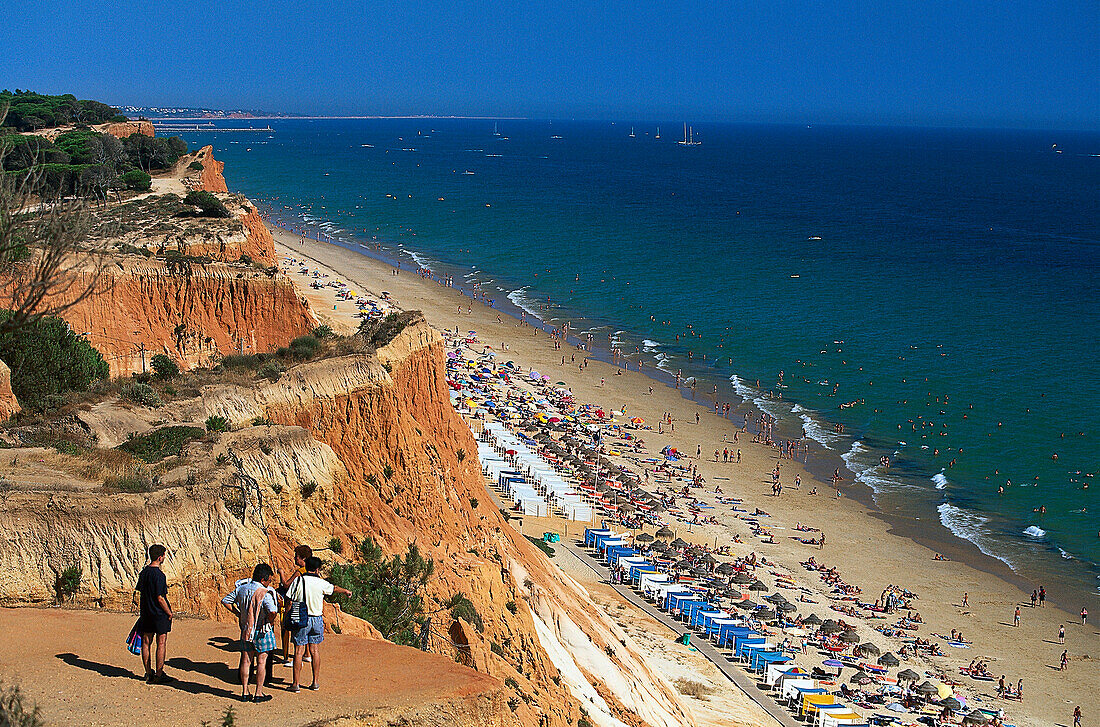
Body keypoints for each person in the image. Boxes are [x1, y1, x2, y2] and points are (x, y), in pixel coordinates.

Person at [287, 556, 352, 692]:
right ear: (317, 569)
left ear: (306, 566)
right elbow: (333, 588)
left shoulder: (298, 581)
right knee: (314, 650)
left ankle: (296, 684)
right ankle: (315, 682)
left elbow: (290, 599)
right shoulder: (321, 583)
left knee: (299, 651)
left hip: (301, 618)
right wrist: (345, 591)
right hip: (317, 619)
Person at [222, 564, 279, 701]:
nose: (269, 583)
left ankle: (244, 692)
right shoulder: (264, 592)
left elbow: (226, 601)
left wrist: (239, 613)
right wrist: (269, 621)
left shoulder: (241, 589)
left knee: (246, 660)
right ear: (263, 579)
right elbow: (272, 611)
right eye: (269, 580)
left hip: (246, 630)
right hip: (261, 631)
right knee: (261, 662)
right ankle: (258, 693)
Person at [134, 544, 173, 684]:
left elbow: (139, 592)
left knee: (146, 643)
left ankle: (148, 672)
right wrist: (169, 613)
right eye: (163, 555)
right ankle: (159, 674)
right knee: (161, 643)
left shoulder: (144, 573)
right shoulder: (159, 575)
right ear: (159, 557)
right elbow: (160, 598)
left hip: (146, 613)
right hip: (159, 614)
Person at [279, 545, 313, 665]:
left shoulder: (300, 572)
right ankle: (307, 654)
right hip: (310, 603)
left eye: (296, 557)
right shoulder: (312, 570)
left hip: (298, 603)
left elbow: (287, 585)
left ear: (303, 558)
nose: (294, 559)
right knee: (307, 629)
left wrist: (281, 574)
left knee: (296, 629)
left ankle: (295, 658)